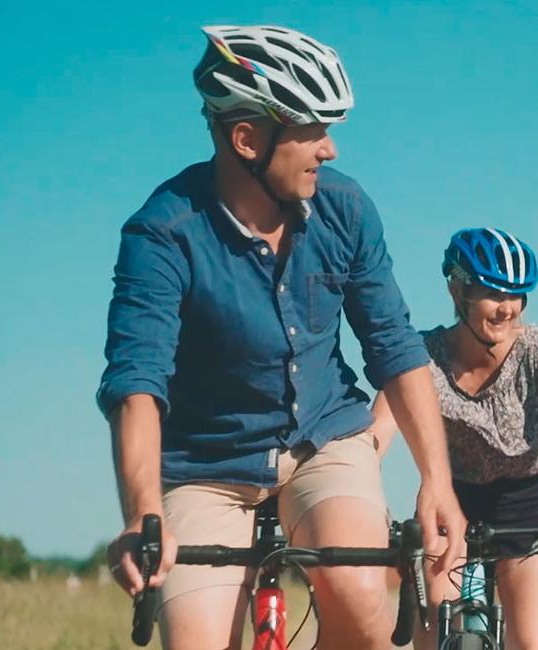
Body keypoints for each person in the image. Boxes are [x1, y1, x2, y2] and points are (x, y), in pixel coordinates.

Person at [97, 24, 465, 649]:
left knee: (360, 600)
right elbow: (137, 381)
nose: (331, 150)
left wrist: (438, 481)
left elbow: (395, 348)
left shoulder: (345, 208)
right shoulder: (162, 232)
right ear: (247, 139)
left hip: (325, 438)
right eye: (314, 131)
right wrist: (141, 511)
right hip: (207, 464)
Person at [371, 227, 538, 650]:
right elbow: (377, 434)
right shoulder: (422, 357)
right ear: (456, 289)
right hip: (450, 500)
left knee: (533, 643)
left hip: (532, 503)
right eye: (493, 294)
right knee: (435, 639)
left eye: (517, 296)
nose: (508, 309)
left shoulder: (534, 350)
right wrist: (362, 499)